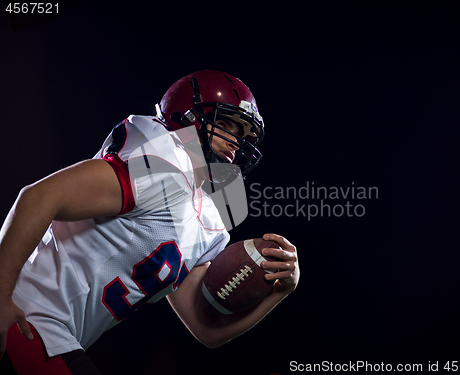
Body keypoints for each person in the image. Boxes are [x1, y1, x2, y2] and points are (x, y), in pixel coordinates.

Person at [0, 70, 299, 374]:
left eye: (244, 135)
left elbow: (205, 329)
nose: (235, 142)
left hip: (53, 331)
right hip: (26, 313)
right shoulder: (163, 160)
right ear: (183, 116)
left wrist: (280, 291)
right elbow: (38, 197)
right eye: (224, 124)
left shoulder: (207, 220)